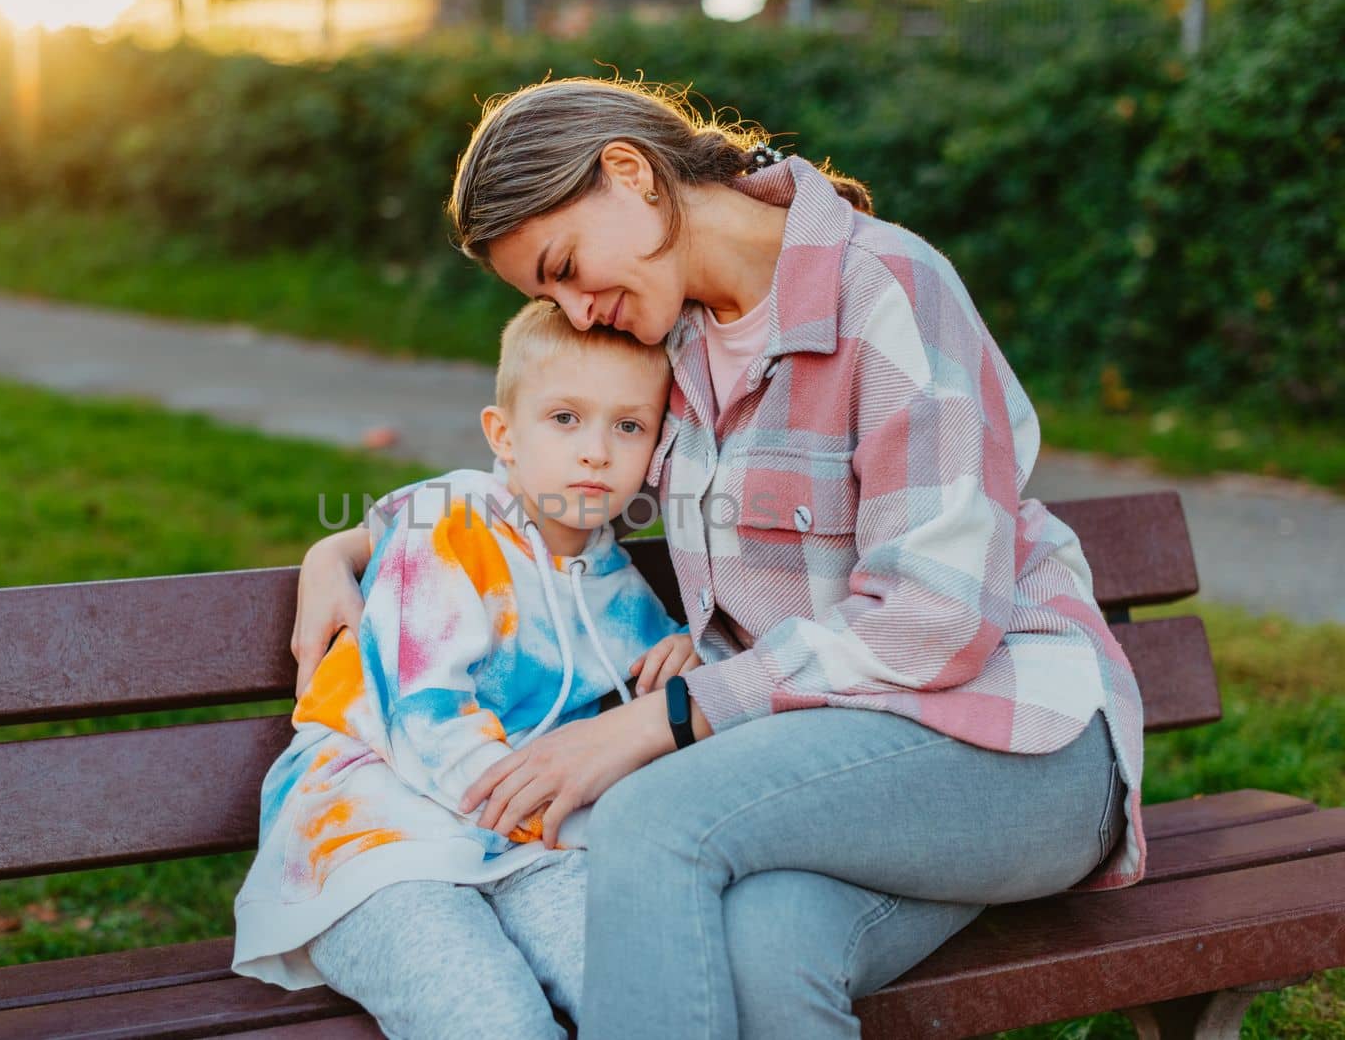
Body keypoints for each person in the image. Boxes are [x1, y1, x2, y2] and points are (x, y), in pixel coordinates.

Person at [291, 77, 1146, 1039]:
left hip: (1018, 747)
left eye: (567, 263)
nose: (576, 308)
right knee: (766, 951)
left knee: (648, 819)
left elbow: (939, 617)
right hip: (835, 770)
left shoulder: (888, 292)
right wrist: (344, 549)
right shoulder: (672, 340)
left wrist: (674, 715)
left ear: (630, 173)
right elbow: (546, 493)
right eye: (548, 294)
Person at [233, 300, 696, 1040]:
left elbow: (672, 710)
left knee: (639, 997)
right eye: (565, 418)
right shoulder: (448, 524)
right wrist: (561, 809)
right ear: (503, 435)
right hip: (377, 838)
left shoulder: (621, 592)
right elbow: (428, 717)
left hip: (526, 841)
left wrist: (690, 659)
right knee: (495, 1021)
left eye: (629, 426)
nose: (596, 452)